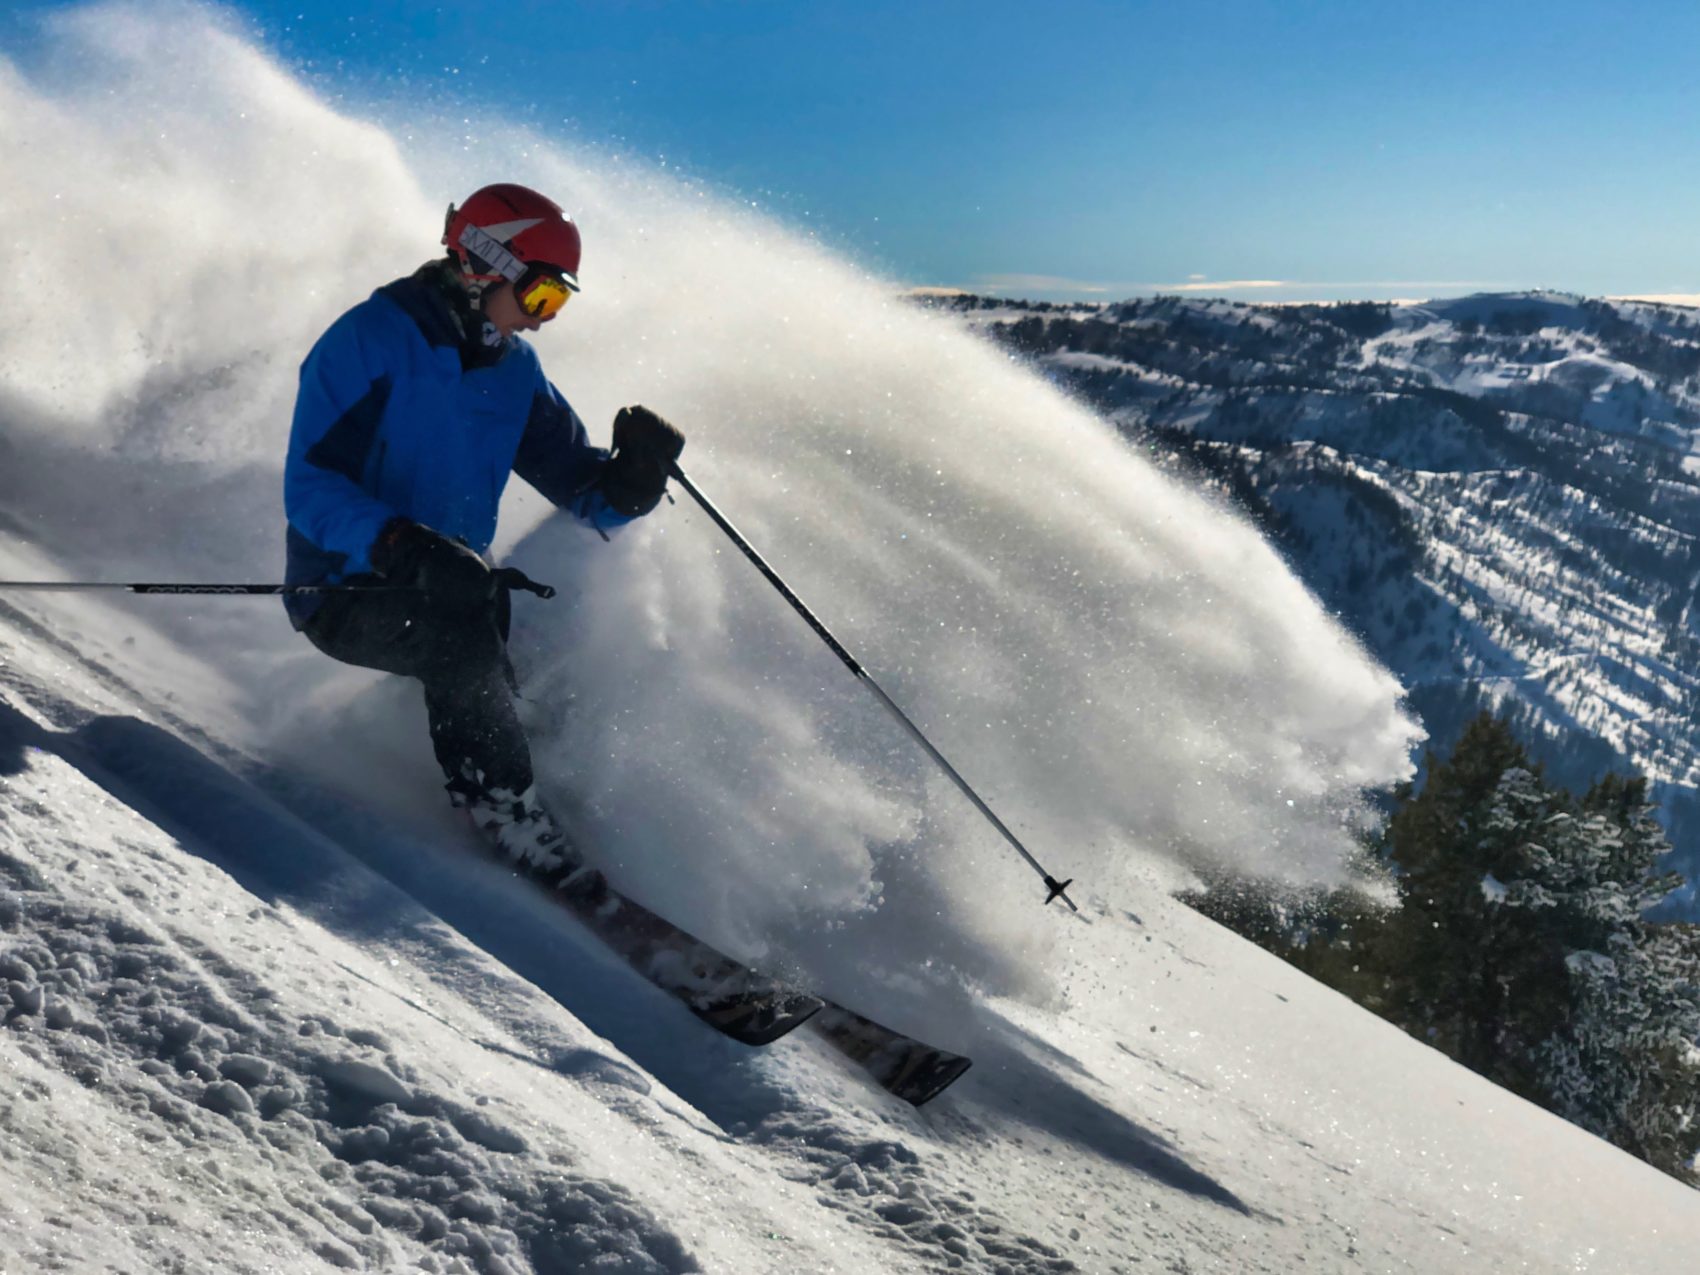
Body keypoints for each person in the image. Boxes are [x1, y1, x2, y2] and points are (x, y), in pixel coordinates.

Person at [282, 183, 682, 885]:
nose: (543, 321)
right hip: (345, 587)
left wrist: (630, 485)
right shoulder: (369, 341)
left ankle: (546, 783)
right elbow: (308, 489)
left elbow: (578, 486)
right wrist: (400, 544)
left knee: (544, 648)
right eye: (540, 298)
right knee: (457, 642)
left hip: (460, 585)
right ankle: (501, 809)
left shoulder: (513, 370)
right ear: (483, 264)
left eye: (556, 304)